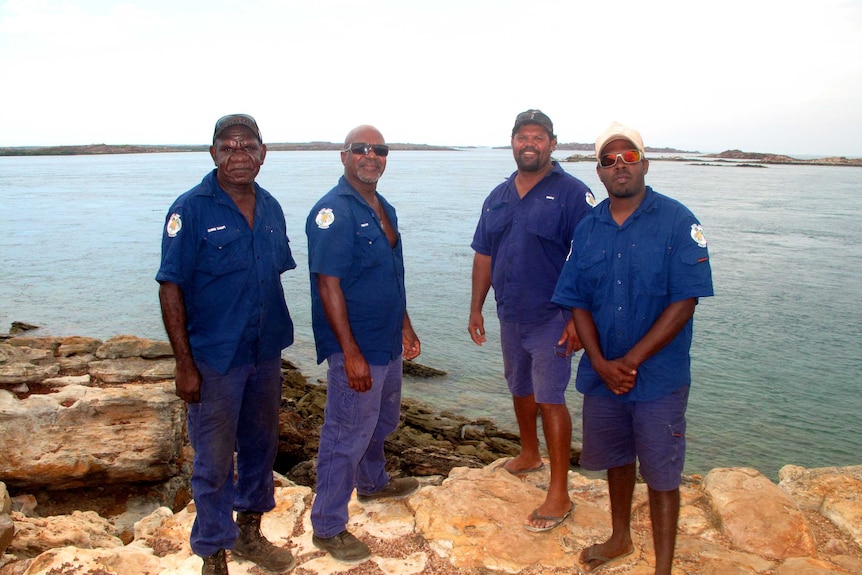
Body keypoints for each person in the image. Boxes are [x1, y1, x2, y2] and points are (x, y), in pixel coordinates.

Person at [551, 122, 714, 574]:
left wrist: (630, 361)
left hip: (658, 377)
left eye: (628, 157)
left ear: (644, 163)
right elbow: (576, 299)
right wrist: (602, 363)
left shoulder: (678, 221)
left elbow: (686, 302)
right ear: (599, 172)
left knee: (662, 473)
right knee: (618, 459)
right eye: (609, 159)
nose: (619, 165)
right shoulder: (588, 228)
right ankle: (620, 537)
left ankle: (663, 567)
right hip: (604, 376)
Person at [156, 114, 297, 575]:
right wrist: (184, 364)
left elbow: (271, 276)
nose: (239, 155)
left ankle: (250, 535)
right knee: (213, 460)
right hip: (214, 358)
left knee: (260, 448)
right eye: (227, 147)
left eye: (247, 147)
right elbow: (170, 287)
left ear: (263, 152)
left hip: (265, 353)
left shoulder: (271, 206)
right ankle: (213, 552)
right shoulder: (190, 209)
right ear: (213, 153)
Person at [469, 109, 595, 532]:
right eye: (523, 136)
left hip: (552, 317)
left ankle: (559, 491)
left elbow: (589, 261)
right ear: (512, 142)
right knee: (519, 387)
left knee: (550, 396)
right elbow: (484, 255)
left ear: (552, 143)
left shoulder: (574, 194)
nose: (529, 143)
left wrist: (580, 319)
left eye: (538, 137)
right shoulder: (498, 196)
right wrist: (476, 308)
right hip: (510, 315)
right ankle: (529, 454)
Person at [306, 125, 422, 564]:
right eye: (361, 149)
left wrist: (406, 326)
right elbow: (328, 286)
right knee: (345, 432)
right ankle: (328, 525)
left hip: (387, 339)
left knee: (383, 420)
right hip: (357, 348)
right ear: (344, 156)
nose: (371, 156)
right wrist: (350, 354)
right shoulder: (332, 212)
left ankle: (372, 481)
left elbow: (393, 275)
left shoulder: (382, 206)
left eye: (379, 150)